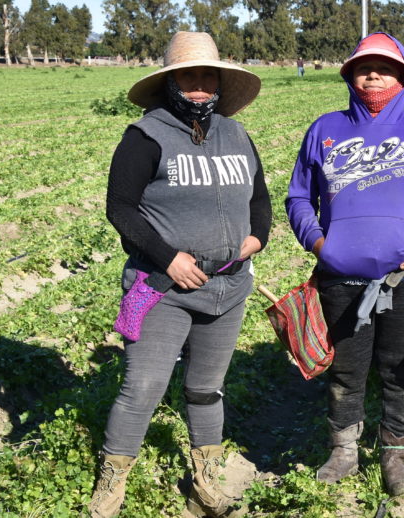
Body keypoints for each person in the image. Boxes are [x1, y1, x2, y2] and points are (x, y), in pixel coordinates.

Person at [92, 31, 272, 518]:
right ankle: (110, 484)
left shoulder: (236, 134)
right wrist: (168, 257)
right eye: (187, 75)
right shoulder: (145, 136)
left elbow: (260, 203)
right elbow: (121, 209)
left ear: (219, 81)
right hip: (162, 290)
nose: (198, 85)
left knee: (205, 388)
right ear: (170, 81)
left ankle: (204, 482)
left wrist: (255, 240)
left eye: (206, 75)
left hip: (228, 290)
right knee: (144, 387)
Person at [285, 32, 404, 496]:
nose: (373, 74)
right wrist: (319, 243)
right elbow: (299, 195)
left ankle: (396, 455)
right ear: (349, 76)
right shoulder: (324, 128)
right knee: (346, 368)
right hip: (342, 278)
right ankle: (344, 450)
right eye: (363, 67)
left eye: (384, 67)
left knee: (401, 368)